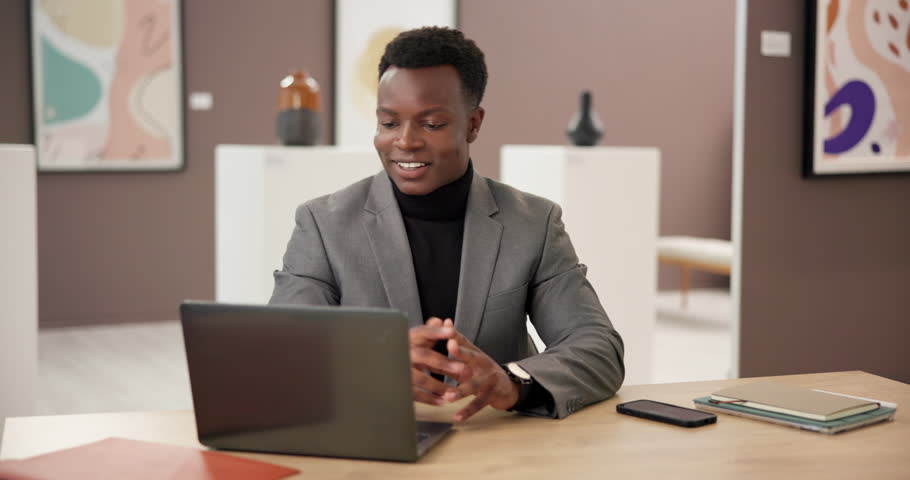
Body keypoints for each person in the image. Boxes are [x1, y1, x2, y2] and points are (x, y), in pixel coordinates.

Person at [270, 27, 624, 421]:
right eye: (389, 123)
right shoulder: (323, 223)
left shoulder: (534, 223)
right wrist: (372, 361)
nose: (405, 141)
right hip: (374, 434)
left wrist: (512, 382)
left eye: (431, 124)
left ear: (473, 124)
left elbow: (598, 347)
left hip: (498, 444)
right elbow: (282, 346)